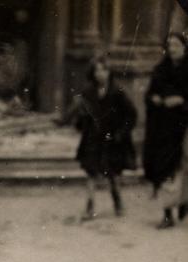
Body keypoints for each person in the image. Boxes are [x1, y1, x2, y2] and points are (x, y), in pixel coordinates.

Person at [71, 55, 137, 221]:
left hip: (111, 139)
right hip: (93, 138)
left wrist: (121, 133)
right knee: (91, 172)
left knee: (113, 174)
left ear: (109, 72)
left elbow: (132, 114)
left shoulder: (117, 92)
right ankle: (90, 206)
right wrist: (80, 121)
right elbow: (82, 117)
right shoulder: (87, 92)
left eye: (104, 70)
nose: (100, 74)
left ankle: (117, 201)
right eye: (97, 70)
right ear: (92, 73)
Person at [143, 32, 188, 229]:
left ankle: (184, 202)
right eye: (169, 46)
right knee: (165, 169)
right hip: (165, 128)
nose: (172, 49)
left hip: (185, 127)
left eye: (176, 45)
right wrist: (154, 99)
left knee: (184, 169)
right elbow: (150, 94)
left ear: (185, 48)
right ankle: (168, 213)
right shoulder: (160, 70)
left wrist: (182, 101)